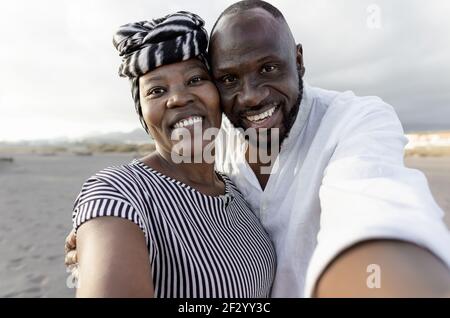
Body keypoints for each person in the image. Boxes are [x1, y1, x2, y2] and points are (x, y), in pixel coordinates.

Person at [67, 1, 450, 297]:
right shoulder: (128, 187)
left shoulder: (352, 122)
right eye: (230, 78)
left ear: (298, 60)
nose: (250, 97)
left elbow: (374, 206)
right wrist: (103, 240)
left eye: (268, 69)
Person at [69, 11, 276, 298]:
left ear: (219, 94)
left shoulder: (236, 192)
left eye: (194, 79)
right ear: (142, 113)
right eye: (156, 90)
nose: (178, 98)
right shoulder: (119, 193)